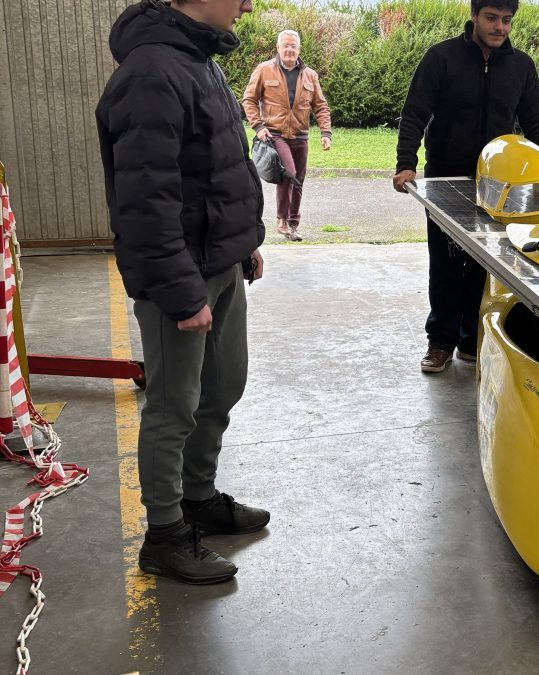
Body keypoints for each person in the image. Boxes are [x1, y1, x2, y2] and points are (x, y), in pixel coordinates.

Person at [96, 0, 270, 584]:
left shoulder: (199, 59)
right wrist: (179, 291)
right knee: (174, 408)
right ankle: (165, 535)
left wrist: (244, 242)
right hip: (181, 276)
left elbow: (220, 167)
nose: (248, 4)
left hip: (219, 262)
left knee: (222, 386)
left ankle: (198, 498)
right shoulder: (151, 72)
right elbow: (145, 200)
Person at [393, 0, 539, 374]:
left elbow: (536, 121)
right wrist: (406, 163)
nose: (500, 27)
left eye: (507, 20)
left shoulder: (521, 66)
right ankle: (441, 341)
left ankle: (471, 339)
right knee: (446, 262)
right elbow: (415, 112)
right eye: (492, 18)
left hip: (499, 184)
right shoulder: (441, 58)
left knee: (484, 265)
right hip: (445, 178)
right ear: (474, 17)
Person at [242, 29, 332, 242]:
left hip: (301, 136)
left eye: (293, 46)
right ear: (278, 48)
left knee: (298, 179)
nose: (290, 49)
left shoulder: (310, 75)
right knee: (288, 173)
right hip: (275, 133)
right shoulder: (264, 70)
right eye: (286, 45)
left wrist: (325, 132)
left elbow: (320, 106)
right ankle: (281, 219)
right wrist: (258, 126)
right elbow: (249, 99)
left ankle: (293, 223)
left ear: (299, 49)